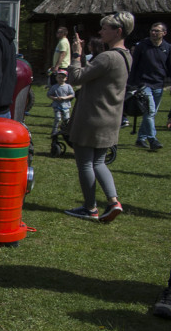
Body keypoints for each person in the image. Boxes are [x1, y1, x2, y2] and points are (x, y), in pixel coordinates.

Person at [64, 12, 134, 222]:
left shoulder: (108, 57)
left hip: (93, 116)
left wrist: (76, 55)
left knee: (86, 163)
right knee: (99, 162)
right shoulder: (126, 55)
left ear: (117, 31)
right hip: (111, 116)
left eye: (105, 28)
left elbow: (75, 78)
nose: (101, 31)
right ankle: (113, 201)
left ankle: (90, 208)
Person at [127, 21, 170, 151]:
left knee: (151, 113)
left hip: (159, 84)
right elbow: (134, 65)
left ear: (164, 33)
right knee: (150, 111)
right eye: (152, 30)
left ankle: (141, 138)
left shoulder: (167, 48)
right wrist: (131, 83)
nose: (153, 32)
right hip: (143, 84)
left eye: (157, 31)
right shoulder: (142, 46)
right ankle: (152, 139)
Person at [47, 69, 74, 135]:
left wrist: (64, 98)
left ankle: (65, 130)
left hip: (66, 105)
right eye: (59, 77)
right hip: (57, 105)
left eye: (63, 77)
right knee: (57, 118)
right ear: (56, 78)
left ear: (66, 78)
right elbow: (49, 94)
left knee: (66, 119)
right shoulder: (54, 87)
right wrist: (55, 98)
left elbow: (72, 95)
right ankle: (54, 131)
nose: (61, 79)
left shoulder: (68, 86)